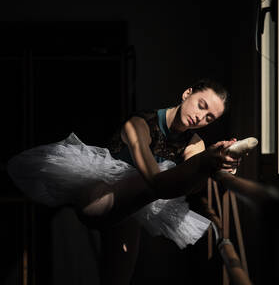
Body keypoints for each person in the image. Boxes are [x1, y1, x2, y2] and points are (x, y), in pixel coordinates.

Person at [7, 78, 244, 285]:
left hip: (131, 211)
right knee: (154, 184)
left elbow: (188, 186)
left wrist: (215, 163)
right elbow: (156, 182)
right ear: (187, 93)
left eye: (209, 118)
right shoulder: (139, 124)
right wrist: (206, 163)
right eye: (201, 106)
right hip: (99, 195)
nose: (200, 117)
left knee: (117, 279)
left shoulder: (194, 143)